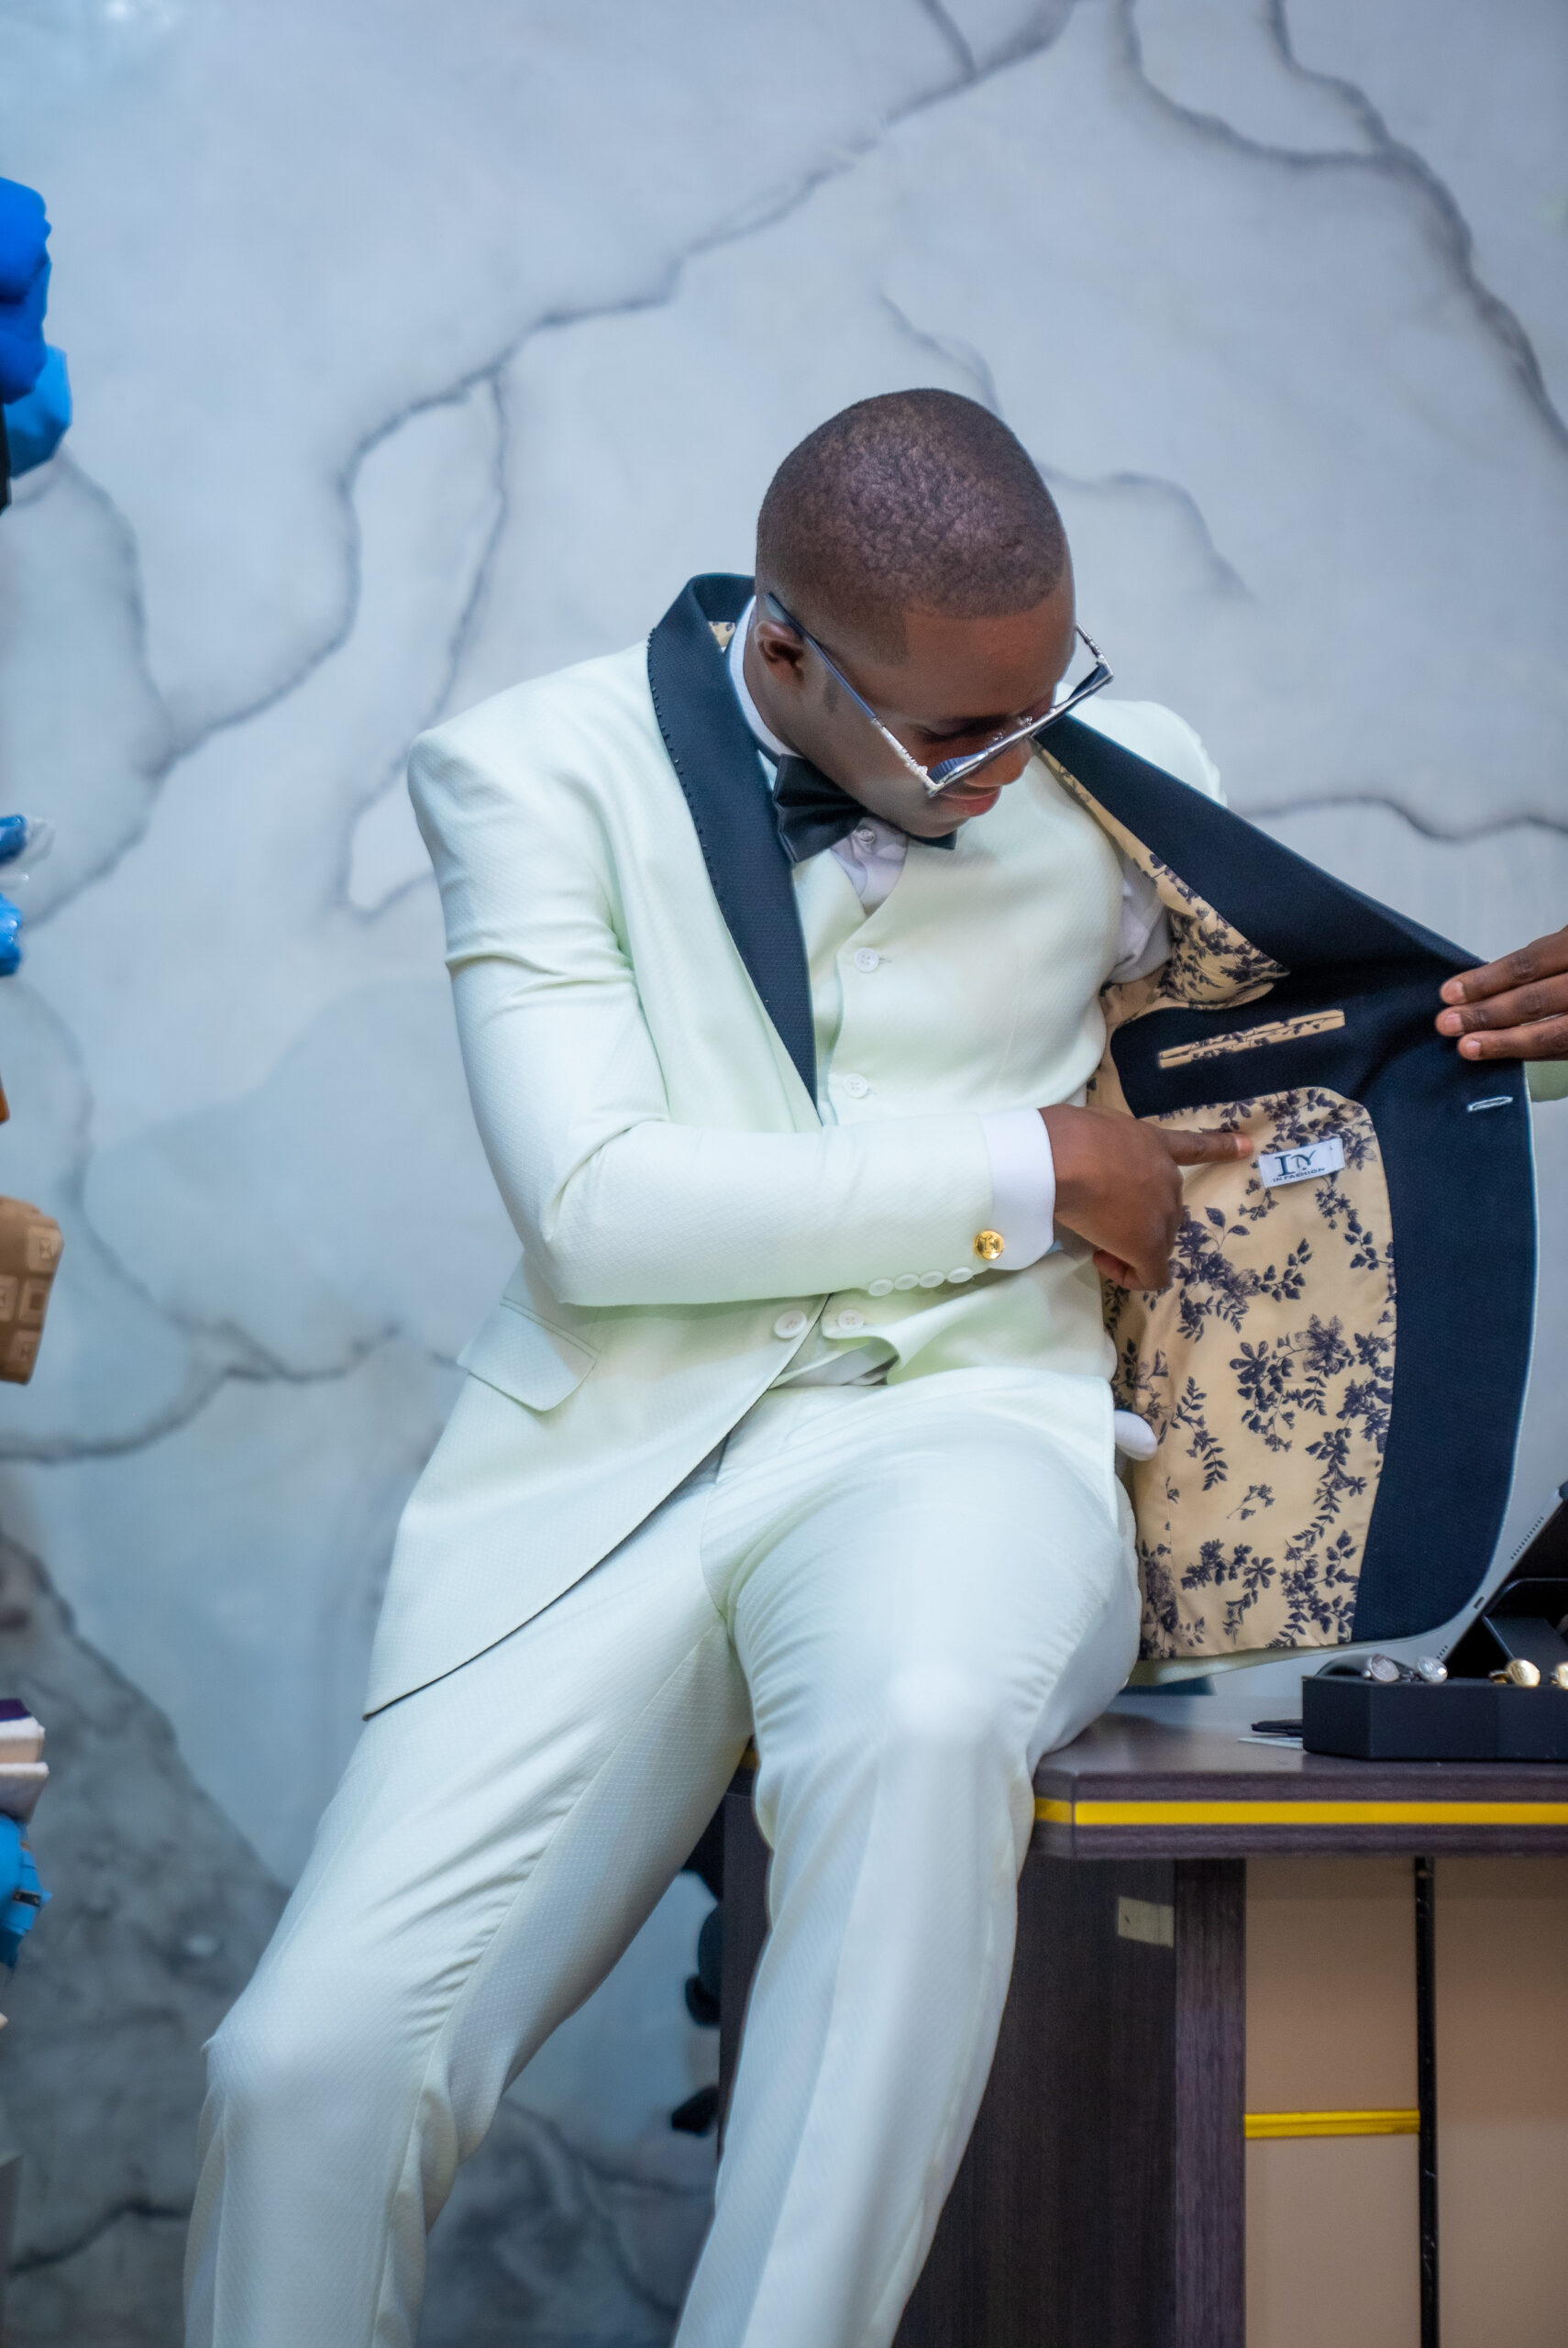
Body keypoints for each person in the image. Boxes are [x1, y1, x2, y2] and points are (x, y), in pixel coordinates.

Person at [183, 391, 1568, 2348]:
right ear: (782, 652)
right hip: (611, 1473)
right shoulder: (531, 770)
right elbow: (596, 1206)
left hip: (968, 1432)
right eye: (951, 734)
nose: (1011, 767)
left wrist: (1532, 1046)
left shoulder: (1120, 773)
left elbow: (1307, 1072)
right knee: (305, 2067)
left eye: (1043, 701)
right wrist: (1032, 1167)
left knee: (923, 1723)